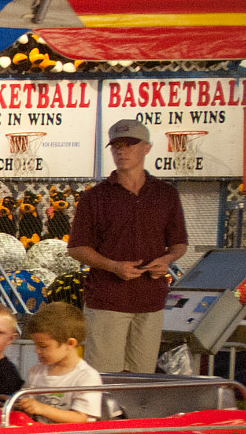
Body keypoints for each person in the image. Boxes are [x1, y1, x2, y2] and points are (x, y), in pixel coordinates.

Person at [67, 117, 187, 374]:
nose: (122, 151)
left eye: (130, 144)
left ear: (147, 147)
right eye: (116, 146)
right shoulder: (94, 197)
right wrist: (113, 266)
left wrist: (166, 260)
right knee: (104, 380)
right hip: (107, 301)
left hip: (151, 301)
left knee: (142, 380)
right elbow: (76, 247)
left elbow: (179, 243)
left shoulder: (166, 194)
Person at [19, 301, 103, 423]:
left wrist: (42, 408)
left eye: (43, 346)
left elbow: (80, 418)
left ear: (70, 344)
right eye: (36, 345)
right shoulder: (36, 372)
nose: (36, 351)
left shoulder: (87, 377)